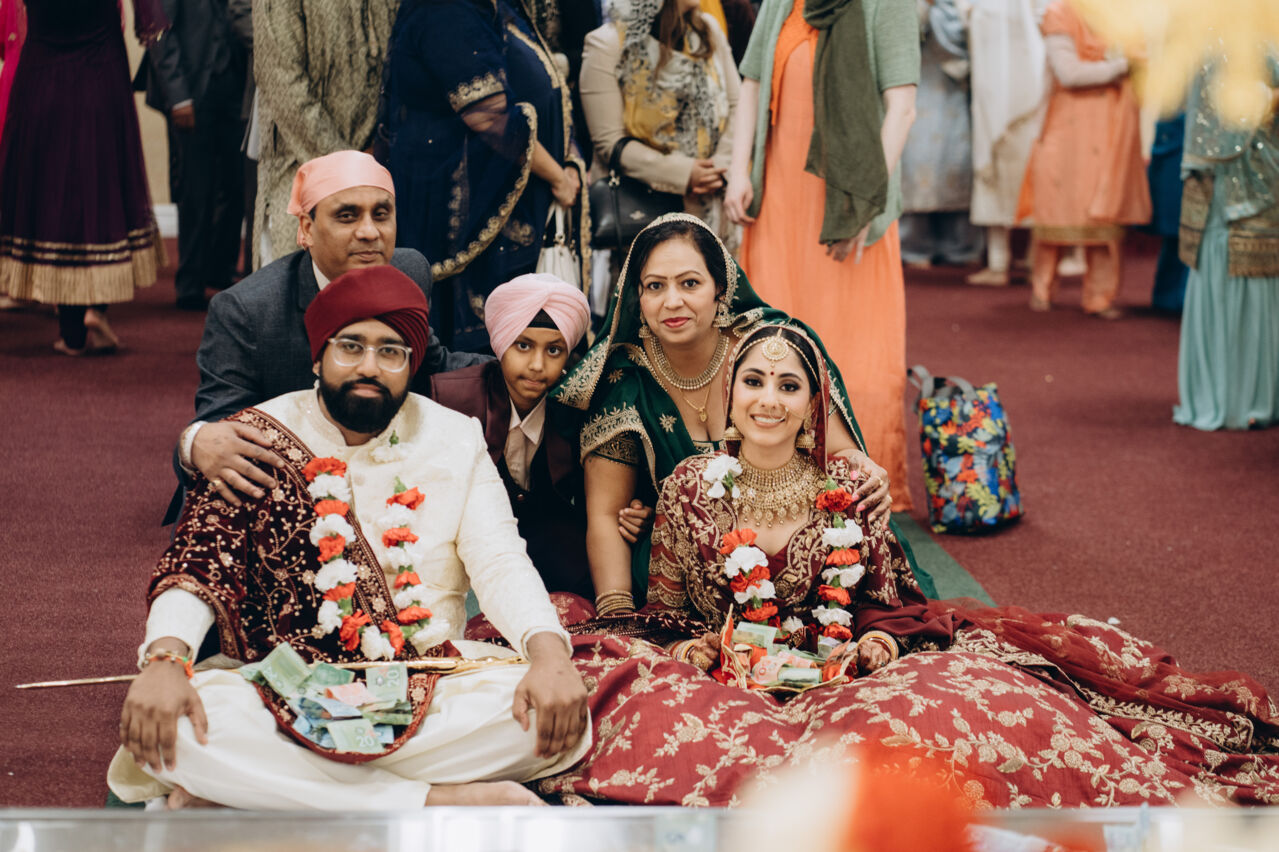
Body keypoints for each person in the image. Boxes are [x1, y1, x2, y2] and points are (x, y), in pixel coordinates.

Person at [535, 322, 1279, 808]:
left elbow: (890, 601)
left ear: (813, 405)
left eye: (788, 385)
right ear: (730, 395)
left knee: (955, 725)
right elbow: (666, 612)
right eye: (754, 382)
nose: (768, 400)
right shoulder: (691, 486)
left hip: (841, 673)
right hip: (728, 679)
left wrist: (877, 643)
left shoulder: (845, 489)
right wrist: (696, 647)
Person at [108, 265, 591, 809]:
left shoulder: (456, 438)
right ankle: (437, 803)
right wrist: (166, 660)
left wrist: (549, 655)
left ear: (411, 365)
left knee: (549, 722)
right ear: (318, 357)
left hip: (426, 681)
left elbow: (500, 559)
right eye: (351, 347)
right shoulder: (255, 437)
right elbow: (200, 563)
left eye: (391, 352)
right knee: (184, 727)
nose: (369, 366)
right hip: (282, 686)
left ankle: (269, 796)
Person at [551, 214, 907, 615]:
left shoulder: (770, 347)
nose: (672, 301)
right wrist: (617, 612)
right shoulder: (625, 381)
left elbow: (837, 455)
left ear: (720, 288)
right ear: (638, 295)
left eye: (690, 283)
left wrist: (866, 469)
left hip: (802, 555)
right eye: (655, 286)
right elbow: (606, 515)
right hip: (688, 569)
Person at [170, 151, 486, 520]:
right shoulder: (248, 310)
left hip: (388, 473)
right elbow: (217, 433)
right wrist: (192, 442)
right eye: (347, 216)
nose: (369, 232)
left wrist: (518, 369)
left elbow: (436, 365)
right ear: (306, 229)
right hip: (287, 487)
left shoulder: (407, 270)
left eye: (381, 214)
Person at [724, 0, 919, 512]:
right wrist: (738, 171)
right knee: (774, 340)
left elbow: (902, 108)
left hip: (848, 206)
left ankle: (862, 488)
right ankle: (774, 480)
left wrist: (864, 199)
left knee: (858, 352)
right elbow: (751, 86)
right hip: (779, 200)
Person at [379, 0, 587, 351]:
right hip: (460, 215)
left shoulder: (499, 6)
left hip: (508, 207)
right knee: (477, 359)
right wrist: (559, 178)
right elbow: (487, 116)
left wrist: (570, 160)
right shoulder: (447, 9)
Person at [430, 273, 650, 597]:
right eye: (523, 345)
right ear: (501, 343)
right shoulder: (451, 399)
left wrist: (638, 513)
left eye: (554, 350)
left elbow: (612, 495)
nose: (536, 364)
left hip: (546, 541)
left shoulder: (577, 407)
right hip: (465, 540)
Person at [0, 0, 165, 355]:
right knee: (102, 188)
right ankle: (95, 310)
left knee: (51, 194)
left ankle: (71, 332)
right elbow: (148, 21)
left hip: (42, 78)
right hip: (100, 76)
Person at [1014, 0, 1150, 318]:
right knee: (1056, 206)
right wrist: (1122, 66)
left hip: (1109, 128)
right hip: (1068, 126)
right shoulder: (1059, 14)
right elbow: (1069, 73)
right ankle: (1042, 289)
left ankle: (1100, 297)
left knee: (1102, 212)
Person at [579, 0, 741, 246]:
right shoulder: (608, 44)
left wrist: (718, 167)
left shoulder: (707, 30)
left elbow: (737, 105)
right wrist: (684, 173)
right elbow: (609, 141)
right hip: (648, 213)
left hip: (714, 204)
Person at [252, 0, 398, 267]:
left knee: (375, 285)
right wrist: (350, 168)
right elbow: (284, 86)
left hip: (377, 169)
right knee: (300, 282)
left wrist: (379, 148)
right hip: (301, 168)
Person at [1173, 69, 1279, 431]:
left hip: (1265, 158)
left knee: (1263, 266)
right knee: (1235, 261)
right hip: (1233, 169)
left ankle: (1259, 393)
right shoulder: (1219, 36)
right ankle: (1236, 395)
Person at [139, 0, 248, 310]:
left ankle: (220, 267)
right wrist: (178, 97)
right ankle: (190, 282)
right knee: (195, 189)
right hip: (191, 88)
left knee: (236, 184)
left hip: (237, 86)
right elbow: (160, 32)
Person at [964, 0, 1048, 286]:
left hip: (1025, 96)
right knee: (1000, 171)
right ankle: (1005, 262)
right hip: (1001, 91)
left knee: (1027, 175)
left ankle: (1022, 261)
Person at [899, 0, 984, 269]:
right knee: (916, 160)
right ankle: (914, 245)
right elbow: (898, 32)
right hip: (917, 80)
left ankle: (961, 245)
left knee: (957, 160)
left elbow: (971, 30)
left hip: (954, 88)